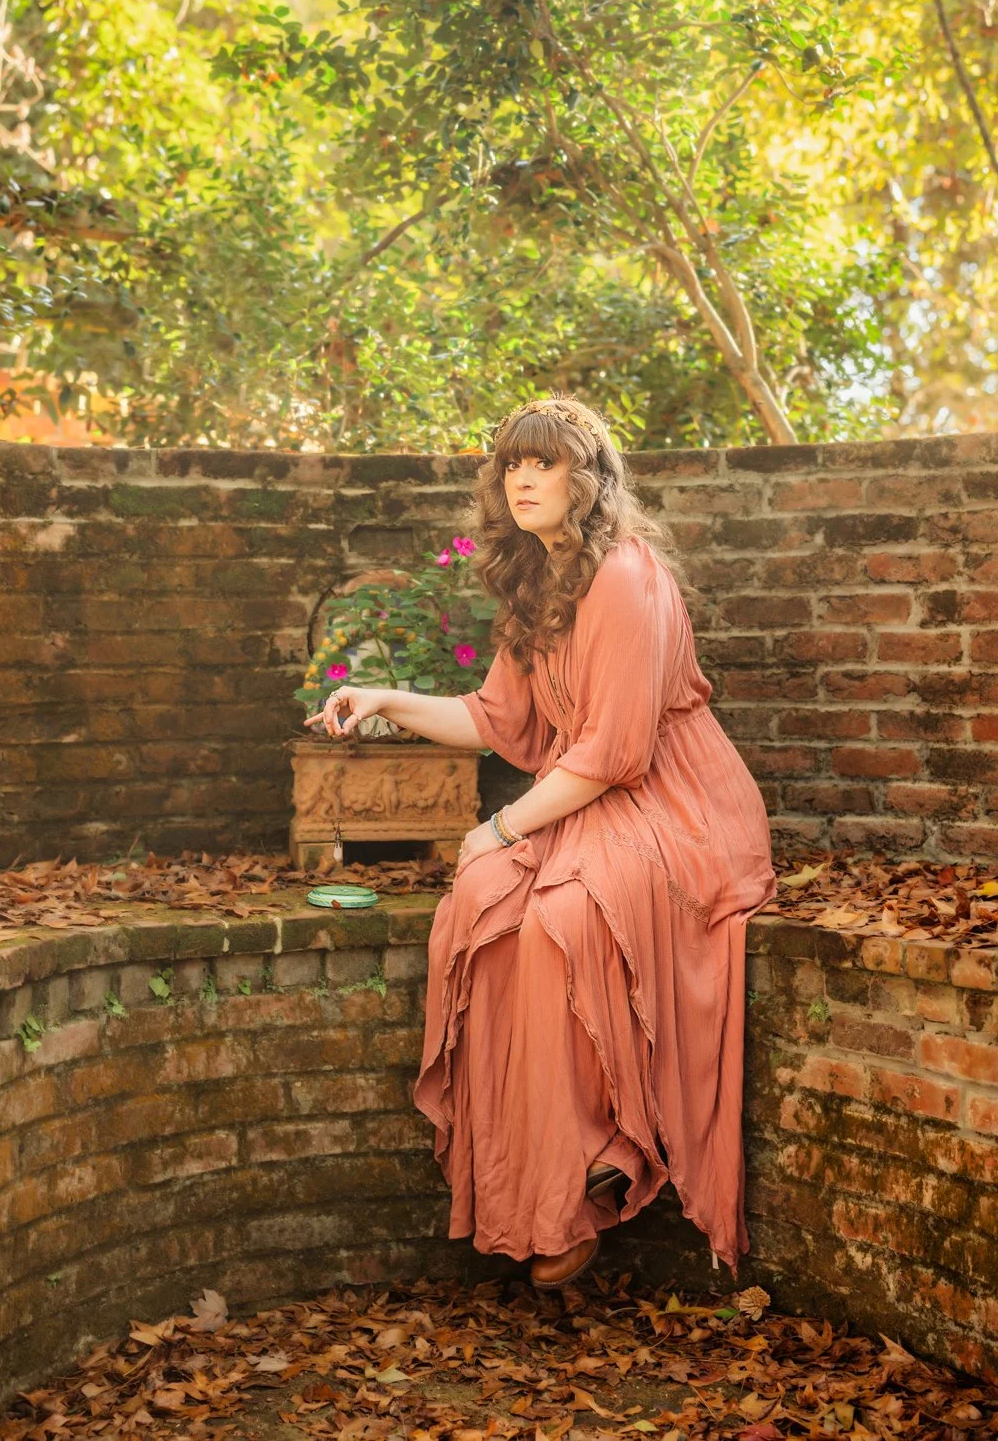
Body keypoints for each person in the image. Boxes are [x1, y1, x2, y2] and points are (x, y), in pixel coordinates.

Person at [305, 394, 777, 1291]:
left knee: (559, 915)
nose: (522, 478)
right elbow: (498, 718)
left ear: (586, 479)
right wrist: (382, 699)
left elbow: (618, 751)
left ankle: (597, 1168)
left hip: (678, 808)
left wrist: (498, 825)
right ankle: (542, 1183)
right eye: (512, 463)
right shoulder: (537, 581)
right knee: (480, 907)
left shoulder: (628, 577)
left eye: (545, 463)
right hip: (595, 798)